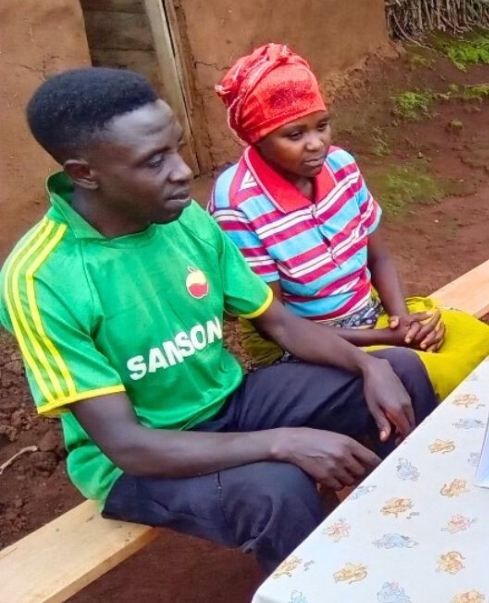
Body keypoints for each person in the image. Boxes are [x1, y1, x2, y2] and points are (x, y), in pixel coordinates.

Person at [1, 68, 438, 572]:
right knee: (279, 488)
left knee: (400, 371)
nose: (183, 172)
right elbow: (129, 447)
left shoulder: (184, 219)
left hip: (229, 402)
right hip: (143, 456)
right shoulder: (40, 279)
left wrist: (369, 367)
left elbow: (280, 323)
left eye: (176, 148)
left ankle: (414, 530)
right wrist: (281, 441)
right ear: (85, 173)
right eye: (155, 161)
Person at [207, 44, 489, 401]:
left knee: (483, 340)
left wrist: (402, 321)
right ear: (257, 138)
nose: (316, 144)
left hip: (371, 314)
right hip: (304, 347)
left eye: (322, 126)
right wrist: (386, 339)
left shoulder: (341, 166)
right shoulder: (238, 203)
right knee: (431, 375)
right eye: (295, 135)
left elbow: (379, 258)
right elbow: (277, 328)